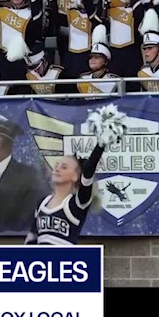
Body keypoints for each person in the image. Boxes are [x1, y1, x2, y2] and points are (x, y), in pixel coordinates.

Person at [26, 105, 123, 245]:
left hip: (66, 262)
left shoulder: (76, 204)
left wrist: (101, 143)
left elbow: (89, 170)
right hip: (43, 264)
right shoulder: (41, 203)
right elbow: (31, 240)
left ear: (75, 177)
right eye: (57, 165)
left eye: (64, 167)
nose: (58, 169)